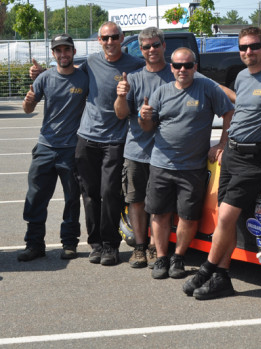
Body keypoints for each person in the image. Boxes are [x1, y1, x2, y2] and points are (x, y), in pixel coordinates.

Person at [182, 27, 261, 300]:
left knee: (227, 217)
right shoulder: (241, 76)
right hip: (232, 153)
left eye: (254, 46)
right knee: (224, 220)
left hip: (256, 158)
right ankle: (222, 278)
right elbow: (240, 110)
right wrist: (222, 145)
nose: (248, 52)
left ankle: (206, 270)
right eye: (243, 48)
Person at [139, 47, 234, 280]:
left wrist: (222, 143)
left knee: (188, 216)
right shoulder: (160, 92)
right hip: (161, 164)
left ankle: (179, 257)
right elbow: (148, 128)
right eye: (178, 65)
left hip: (192, 167)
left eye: (188, 65)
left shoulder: (208, 89)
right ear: (171, 68)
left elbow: (229, 113)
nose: (183, 69)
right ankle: (162, 257)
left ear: (195, 67)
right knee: (160, 214)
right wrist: (144, 118)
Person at [75, 22, 145, 266]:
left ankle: (111, 245)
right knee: (90, 193)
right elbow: (68, 76)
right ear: (99, 40)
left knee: (110, 193)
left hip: (115, 141)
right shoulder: (91, 63)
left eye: (114, 37)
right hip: (86, 138)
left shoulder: (135, 65)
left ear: (122, 38)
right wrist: (41, 74)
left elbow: (161, 74)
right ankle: (95, 244)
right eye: (105, 38)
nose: (110, 42)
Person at [18, 34, 88, 262]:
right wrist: (28, 101)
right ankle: (34, 244)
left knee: (71, 199)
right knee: (36, 197)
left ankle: (69, 243)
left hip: (71, 149)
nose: (63, 54)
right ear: (53, 54)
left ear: (73, 52)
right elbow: (28, 109)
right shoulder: (45, 78)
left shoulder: (84, 78)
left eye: (67, 49)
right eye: (58, 50)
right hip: (46, 147)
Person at [114, 27, 171, 269]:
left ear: (163, 46)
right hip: (137, 151)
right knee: (136, 200)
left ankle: (155, 248)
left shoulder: (178, 72)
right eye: (146, 47)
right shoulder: (134, 78)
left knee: (162, 205)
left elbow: (212, 89)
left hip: (167, 154)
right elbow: (120, 114)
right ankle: (139, 248)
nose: (151, 50)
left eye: (155, 45)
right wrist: (120, 96)